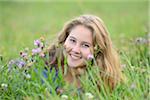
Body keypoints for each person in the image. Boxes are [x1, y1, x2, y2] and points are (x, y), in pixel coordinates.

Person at [47, 14, 124, 94]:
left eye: (85, 45)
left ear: (98, 50)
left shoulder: (103, 80)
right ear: (65, 39)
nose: (76, 50)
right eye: (73, 40)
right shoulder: (44, 69)